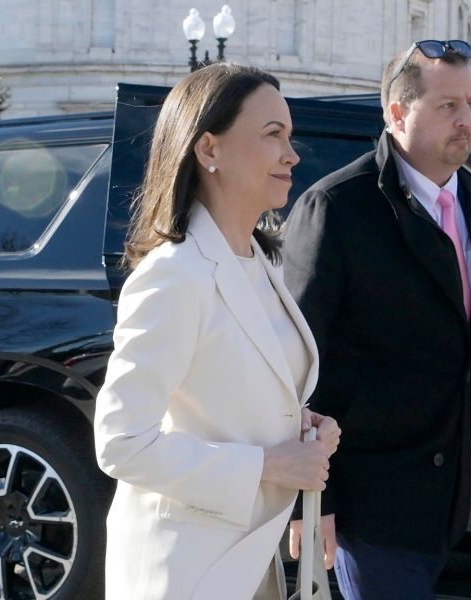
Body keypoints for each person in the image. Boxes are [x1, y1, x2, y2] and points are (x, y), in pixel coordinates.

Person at [282, 40, 471, 599]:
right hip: (369, 501)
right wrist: (314, 498)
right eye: (447, 106)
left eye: (470, 103)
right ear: (396, 113)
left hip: (449, 497)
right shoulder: (339, 208)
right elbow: (299, 368)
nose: (465, 120)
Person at [93, 64, 340, 600]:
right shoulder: (173, 274)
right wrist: (271, 465)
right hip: (187, 572)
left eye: (290, 137)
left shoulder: (260, 263)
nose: (292, 155)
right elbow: (120, 443)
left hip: (250, 562)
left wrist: (301, 424)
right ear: (209, 149)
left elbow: (227, 392)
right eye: (273, 135)